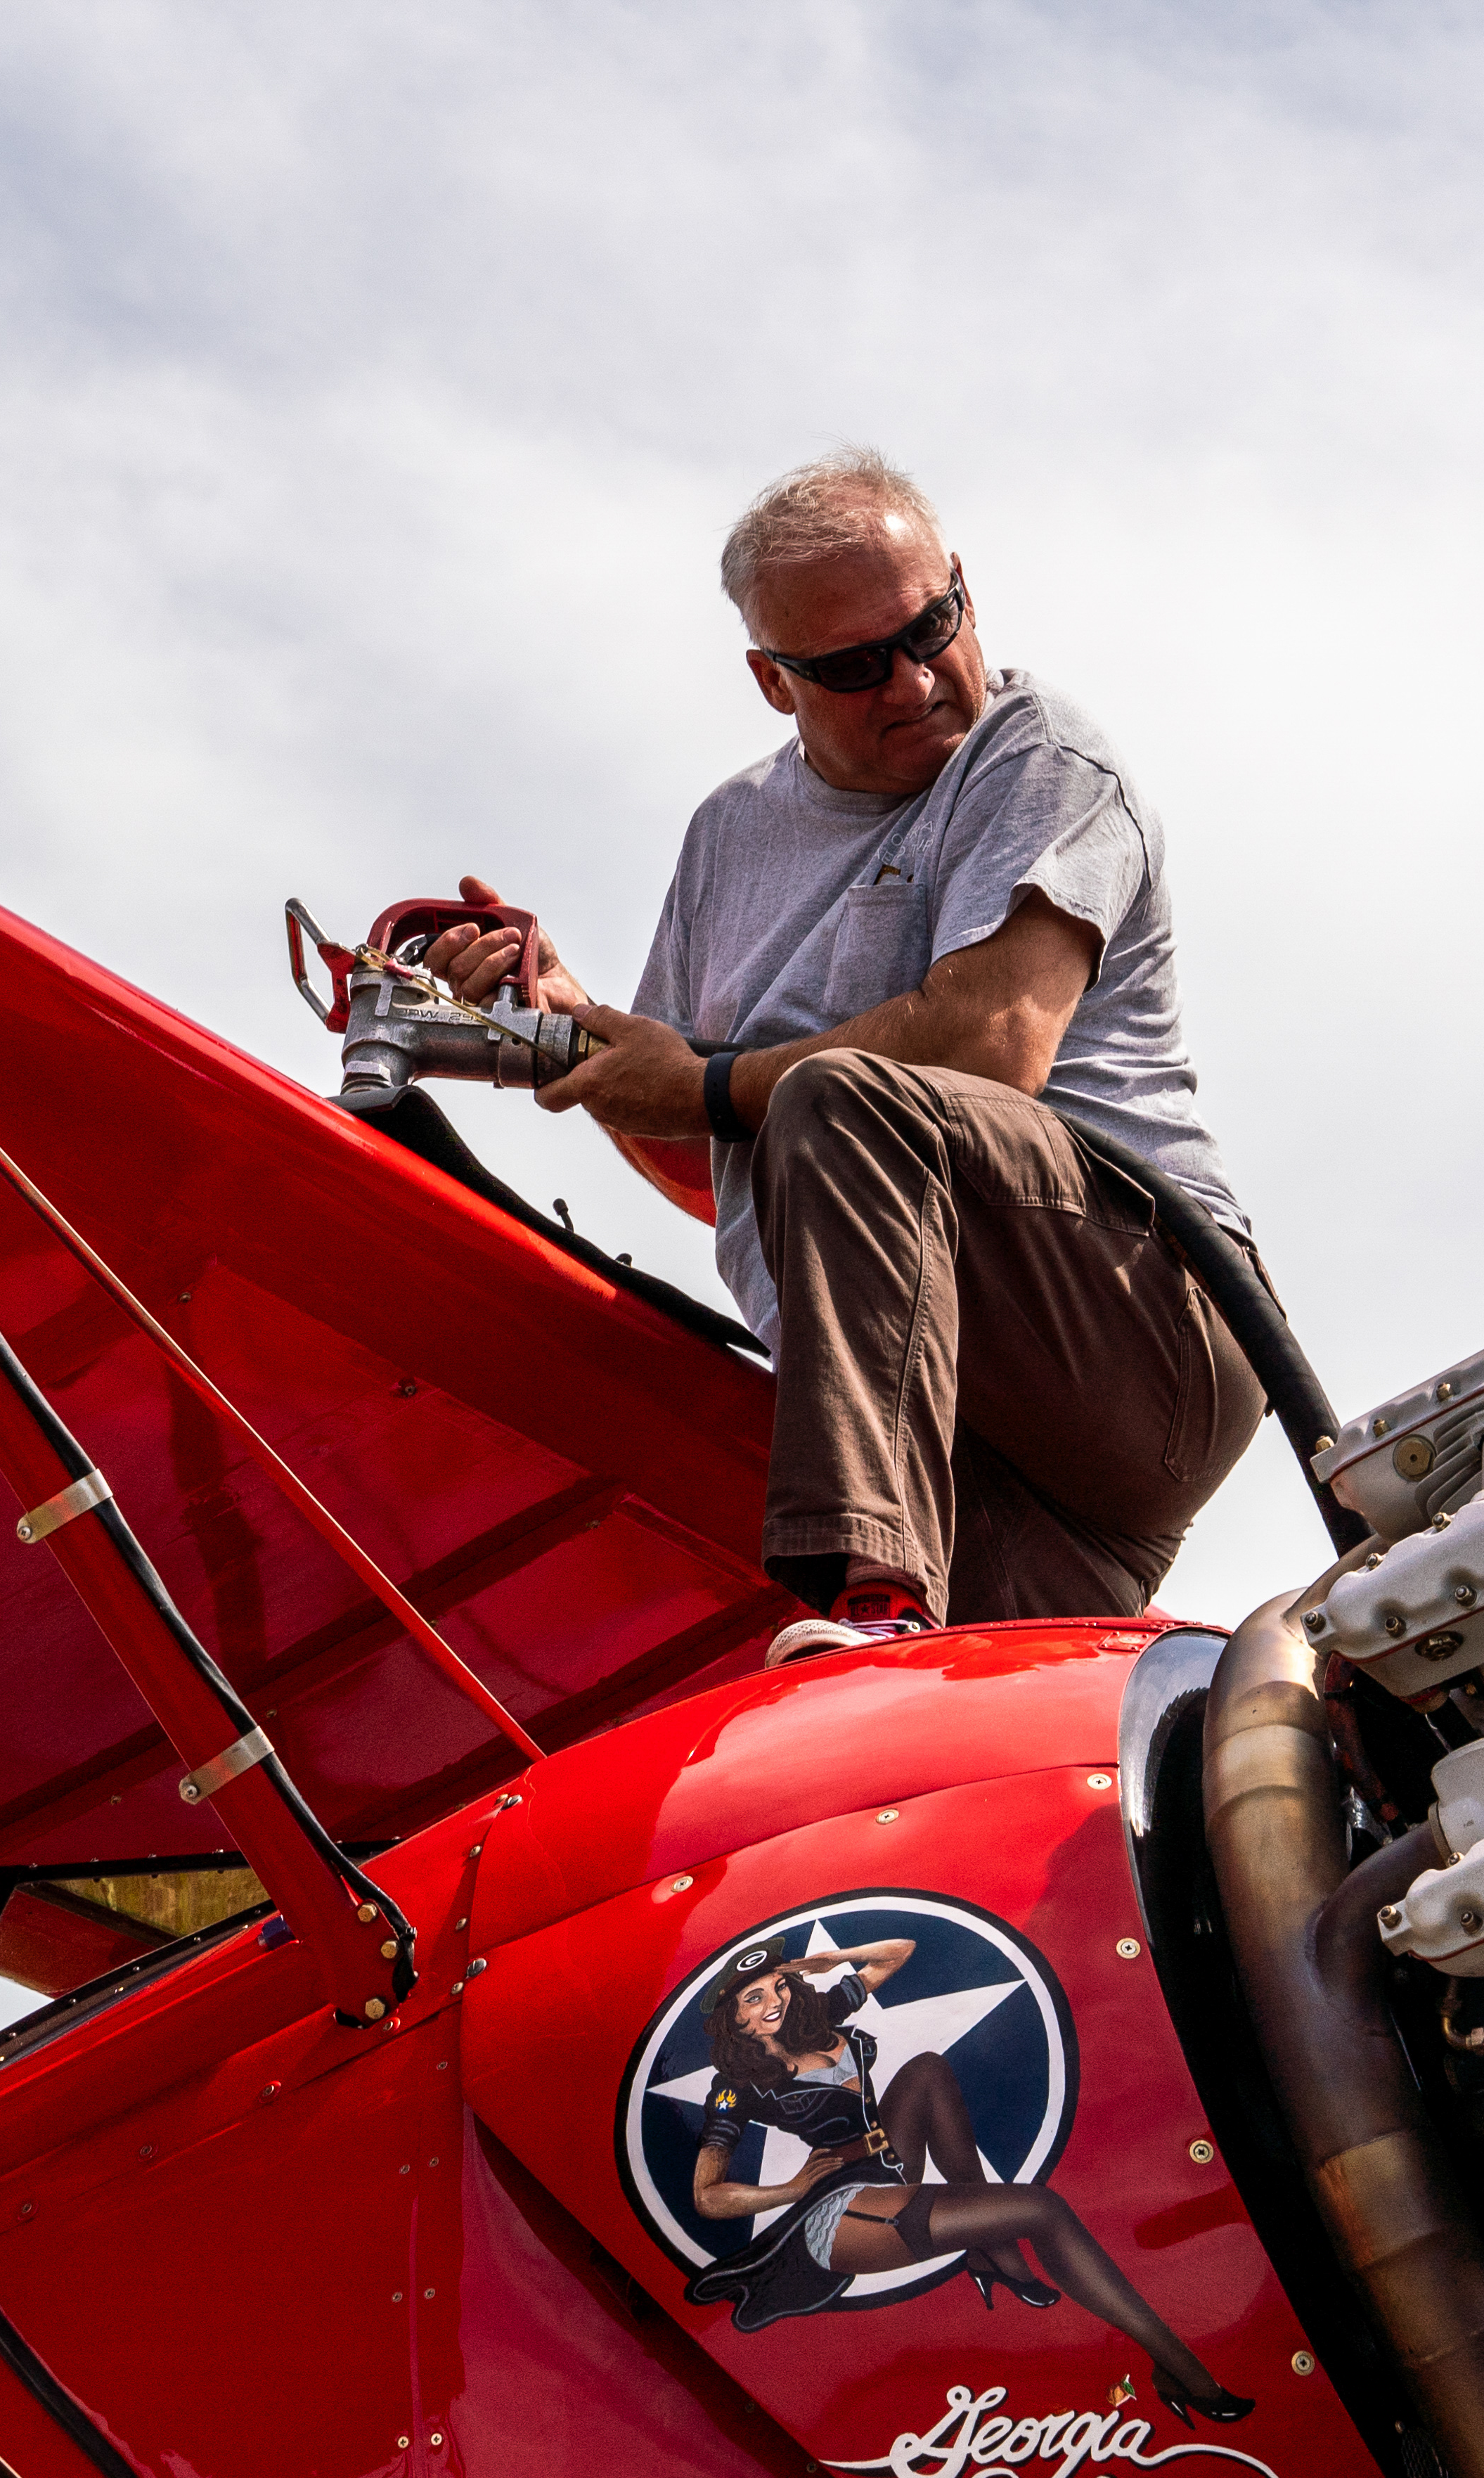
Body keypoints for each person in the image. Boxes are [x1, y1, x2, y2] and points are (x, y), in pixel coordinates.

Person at [424, 450, 1265, 1664]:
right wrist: (572, 1030)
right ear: (774, 682)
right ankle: (905, 1659)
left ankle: (875, 1604)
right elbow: (715, 1164)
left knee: (841, 1100)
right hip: (934, 1423)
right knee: (963, 1740)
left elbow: (990, 1050)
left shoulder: (1039, 760)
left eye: (935, 625)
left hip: (1142, 1337)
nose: (920, 681)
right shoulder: (728, 839)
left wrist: (701, 1082)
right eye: (860, 666)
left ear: (963, 587)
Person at [683, 1927, 1249, 2422]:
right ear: (734, 2021)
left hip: (889, 2164)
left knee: (927, 2069)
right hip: (840, 2211)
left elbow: (899, 1952)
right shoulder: (736, 2087)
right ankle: (1180, 2370)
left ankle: (992, 2254)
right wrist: (791, 2188)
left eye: (777, 1986)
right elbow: (707, 2196)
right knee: (1044, 2209)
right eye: (753, 2000)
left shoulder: (819, 2017)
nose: (773, 2002)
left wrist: (831, 1960)